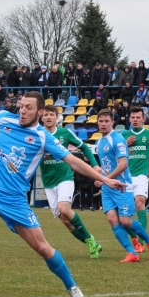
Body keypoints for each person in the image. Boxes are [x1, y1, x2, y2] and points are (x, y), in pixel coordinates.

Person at [0, 92, 126, 297]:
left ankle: (72, 286)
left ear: (40, 112)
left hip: (14, 200)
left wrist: (105, 180)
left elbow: (73, 161)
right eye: (21, 106)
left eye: (29, 108)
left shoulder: (44, 137)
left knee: (43, 248)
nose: (23, 111)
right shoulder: (5, 118)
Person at [95, 109, 149, 263]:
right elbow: (106, 165)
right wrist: (99, 175)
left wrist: (105, 179)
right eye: (101, 121)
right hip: (108, 187)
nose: (103, 124)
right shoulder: (100, 141)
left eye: (106, 121)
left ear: (112, 122)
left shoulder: (117, 139)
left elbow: (123, 165)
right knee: (112, 219)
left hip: (122, 185)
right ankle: (132, 253)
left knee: (125, 221)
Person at [39, 105, 102, 258]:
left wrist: (94, 164)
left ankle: (89, 239)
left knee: (64, 209)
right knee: (65, 220)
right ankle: (90, 243)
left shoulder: (64, 133)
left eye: (51, 114)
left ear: (57, 117)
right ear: (41, 117)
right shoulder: (37, 135)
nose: (48, 117)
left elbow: (84, 148)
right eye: (46, 114)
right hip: (48, 182)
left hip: (65, 178)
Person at [121, 107, 149, 253]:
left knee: (139, 203)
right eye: (133, 117)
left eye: (138, 117)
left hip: (141, 176)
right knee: (124, 214)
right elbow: (115, 155)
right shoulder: (123, 135)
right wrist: (125, 145)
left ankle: (140, 242)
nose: (135, 120)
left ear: (143, 119)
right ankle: (135, 237)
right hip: (125, 177)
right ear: (129, 119)